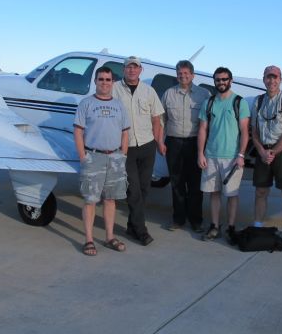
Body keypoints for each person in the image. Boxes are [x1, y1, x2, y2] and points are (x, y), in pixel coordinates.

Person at [73, 66, 130, 256]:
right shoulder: (86, 103)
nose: (104, 82)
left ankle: (109, 237)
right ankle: (89, 240)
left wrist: (123, 155)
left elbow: (125, 132)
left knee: (110, 199)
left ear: (112, 82)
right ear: (95, 81)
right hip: (93, 156)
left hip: (115, 157)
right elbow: (78, 131)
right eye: (101, 79)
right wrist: (83, 156)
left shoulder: (119, 105)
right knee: (90, 200)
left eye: (108, 79)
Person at [113, 56, 165, 246]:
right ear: (124, 70)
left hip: (147, 146)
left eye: (135, 67)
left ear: (141, 70)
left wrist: (159, 142)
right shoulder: (114, 90)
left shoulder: (149, 91)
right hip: (125, 147)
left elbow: (156, 120)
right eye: (129, 67)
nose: (132, 70)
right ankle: (141, 231)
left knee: (144, 189)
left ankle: (131, 226)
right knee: (133, 189)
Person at [251, 65, 282, 252]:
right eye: (268, 77)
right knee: (260, 192)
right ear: (263, 79)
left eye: (275, 77)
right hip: (263, 151)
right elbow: (254, 131)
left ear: (280, 79)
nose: (271, 80)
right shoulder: (257, 101)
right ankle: (257, 228)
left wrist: (273, 152)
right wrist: (262, 150)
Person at [197, 67, 250, 243]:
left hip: (231, 157)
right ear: (214, 81)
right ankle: (214, 226)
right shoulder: (209, 102)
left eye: (224, 79)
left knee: (232, 194)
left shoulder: (239, 102)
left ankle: (231, 227)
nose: (221, 82)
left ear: (231, 80)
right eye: (218, 79)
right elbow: (203, 129)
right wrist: (201, 153)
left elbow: (244, 131)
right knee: (214, 193)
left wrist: (241, 155)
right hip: (211, 155)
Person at [161, 60, 210, 233]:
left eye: (186, 73)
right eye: (180, 74)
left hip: (195, 143)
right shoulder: (168, 94)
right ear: (177, 75)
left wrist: (204, 149)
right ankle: (178, 219)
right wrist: (160, 141)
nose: (183, 76)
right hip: (173, 143)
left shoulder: (203, 94)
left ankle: (196, 220)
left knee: (196, 184)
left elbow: (208, 123)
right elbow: (162, 120)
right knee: (177, 182)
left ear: (193, 75)